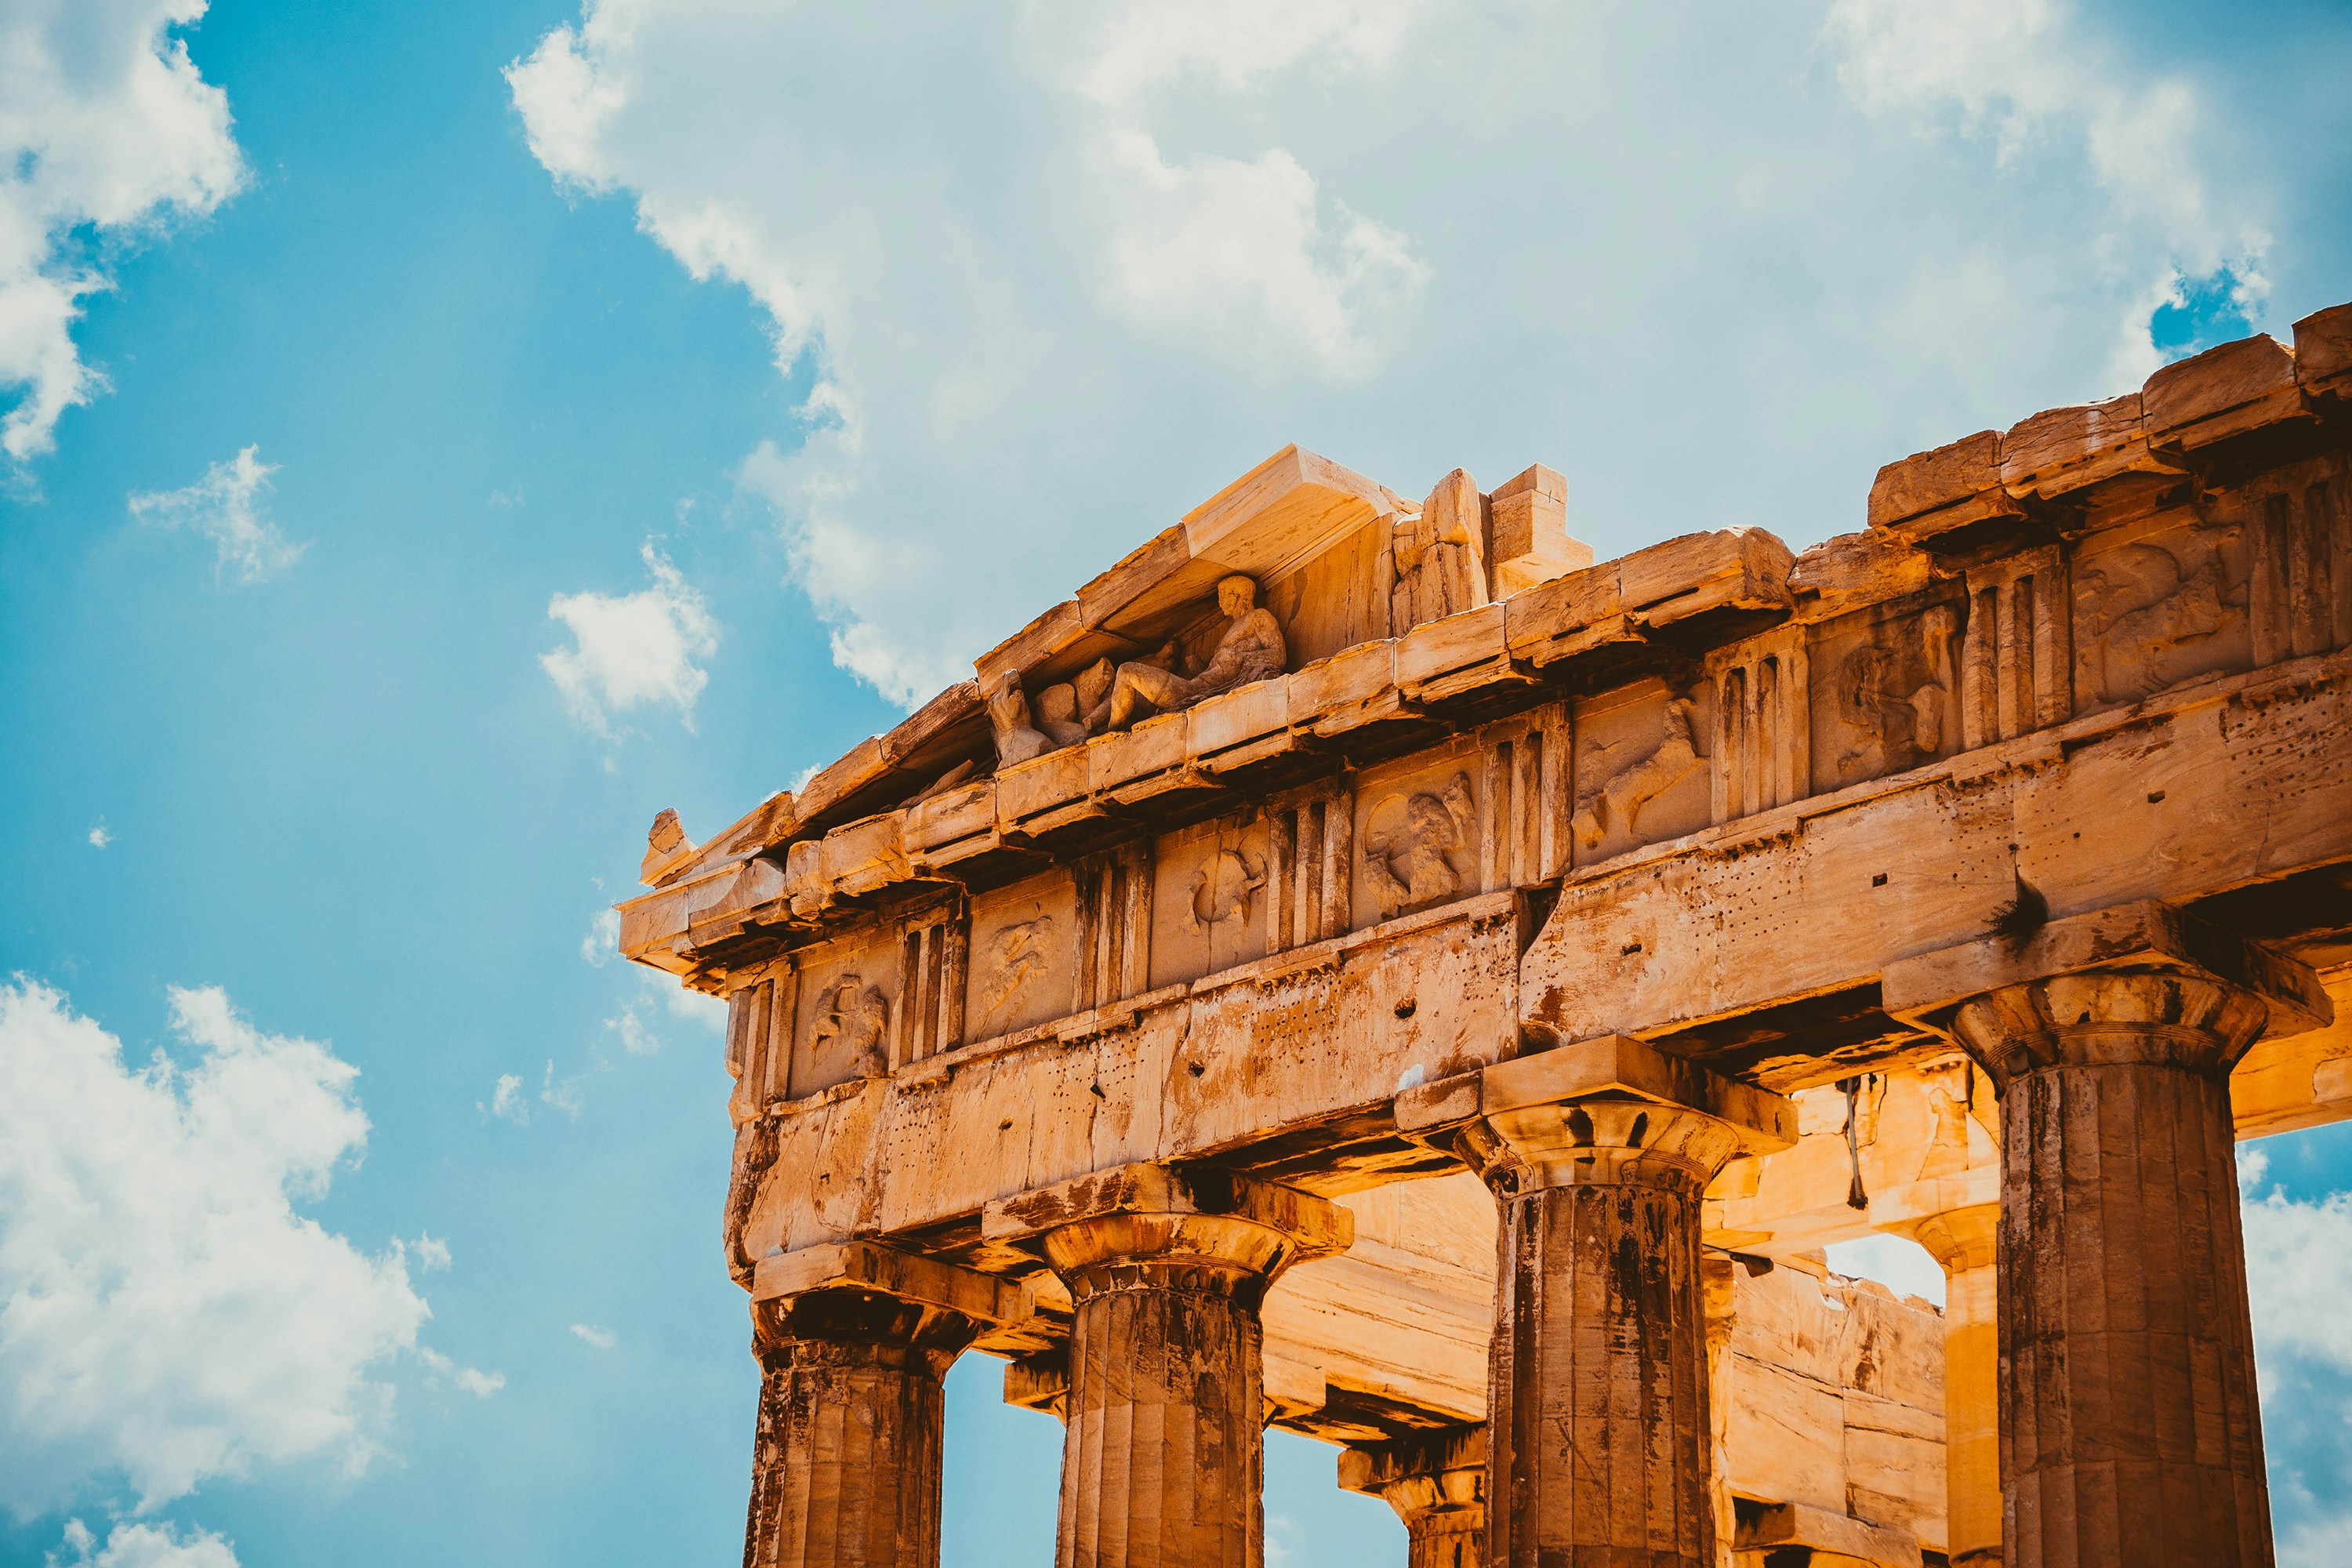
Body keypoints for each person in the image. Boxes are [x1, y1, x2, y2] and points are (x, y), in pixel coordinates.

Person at [1106, 575, 1287, 728]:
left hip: (1194, 691)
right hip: (1194, 688)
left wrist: (1239, 657)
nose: (1220, 602)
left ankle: (1111, 733)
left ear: (1237, 596)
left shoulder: (1258, 617)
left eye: (1223, 595)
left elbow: (1278, 656)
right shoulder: (1234, 628)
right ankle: (1109, 731)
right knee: (1128, 676)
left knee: (1127, 671)